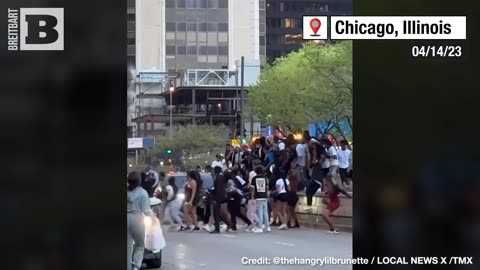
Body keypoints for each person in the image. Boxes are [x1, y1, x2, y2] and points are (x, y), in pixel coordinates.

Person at [127, 171, 155, 270]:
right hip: (137, 219)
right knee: (140, 244)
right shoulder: (143, 193)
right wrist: (154, 219)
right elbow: (146, 210)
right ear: (139, 181)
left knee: (128, 246)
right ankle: (136, 266)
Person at [304, 131, 328, 212]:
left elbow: (314, 154)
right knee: (309, 192)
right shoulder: (315, 146)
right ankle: (312, 206)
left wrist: (313, 161)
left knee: (308, 191)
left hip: (316, 180)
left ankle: (310, 206)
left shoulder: (314, 145)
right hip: (317, 180)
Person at [210, 166, 232, 233]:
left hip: (217, 197)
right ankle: (229, 224)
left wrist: (212, 192)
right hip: (222, 196)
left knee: (216, 213)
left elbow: (217, 189)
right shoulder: (222, 177)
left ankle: (217, 229)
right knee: (220, 213)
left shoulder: (217, 178)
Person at [250, 165, 270, 233]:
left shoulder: (254, 179)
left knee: (260, 212)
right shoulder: (265, 178)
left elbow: (253, 189)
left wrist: (252, 197)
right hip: (265, 196)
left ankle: (260, 227)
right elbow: (267, 188)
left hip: (258, 196)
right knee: (265, 212)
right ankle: (268, 226)